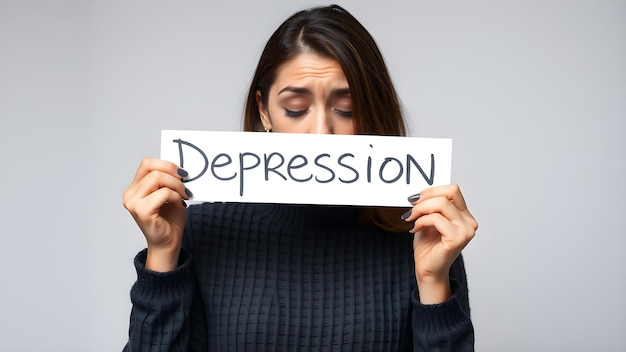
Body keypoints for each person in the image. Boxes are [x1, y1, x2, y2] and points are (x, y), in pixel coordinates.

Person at [122, 4, 478, 351]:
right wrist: (163, 257)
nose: (322, 132)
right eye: (296, 108)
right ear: (264, 110)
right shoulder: (201, 230)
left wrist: (433, 282)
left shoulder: (421, 233)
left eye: (346, 109)